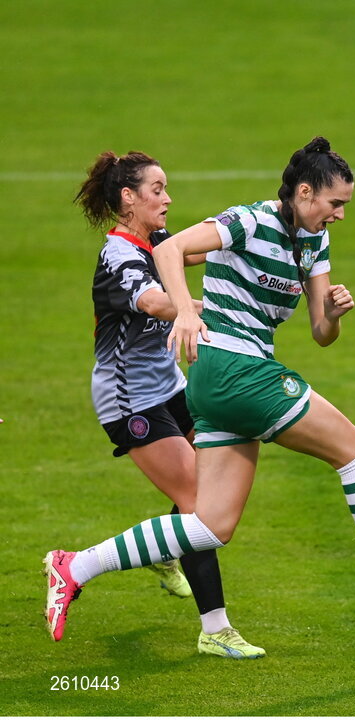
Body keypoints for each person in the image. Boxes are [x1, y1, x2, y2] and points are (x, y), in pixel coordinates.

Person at [45, 137, 355, 649]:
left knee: (209, 525)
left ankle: (75, 566)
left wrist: (334, 316)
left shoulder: (314, 242)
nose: (340, 214)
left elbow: (320, 332)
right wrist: (185, 310)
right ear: (305, 191)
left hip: (215, 381)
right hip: (236, 371)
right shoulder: (249, 220)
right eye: (334, 203)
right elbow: (169, 248)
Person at [70, 150, 263, 659]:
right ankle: (215, 629)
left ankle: (166, 549)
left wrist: (253, 226)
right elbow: (156, 302)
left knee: (199, 494)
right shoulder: (117, 255)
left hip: (170, 385)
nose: (168, 197)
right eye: (158, 189)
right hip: (128, 398)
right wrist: (207, 309)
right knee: (202, 504)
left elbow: (195, 248)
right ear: (128, 198)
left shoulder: (153, 239)